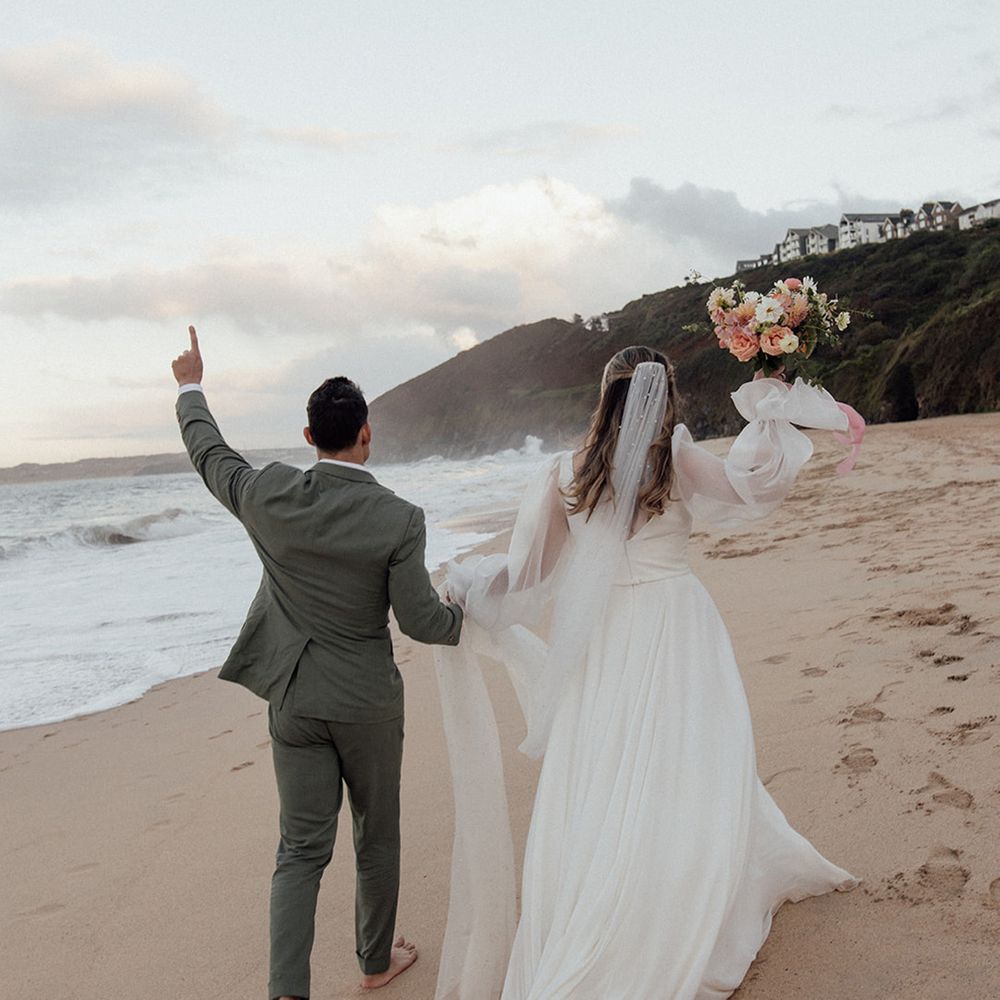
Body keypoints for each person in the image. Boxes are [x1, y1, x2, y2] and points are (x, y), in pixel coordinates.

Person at [434, 345, 859, 1000]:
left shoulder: (565, 472)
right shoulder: (678, 457)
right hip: (677, 626)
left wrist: (466, 585)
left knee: (606, 768)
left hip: (606, 635)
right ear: (666, 398)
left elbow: (530, 576)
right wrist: (771, 407)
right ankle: (683, 890)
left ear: (605, 397)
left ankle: (614, 897)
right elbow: (753, 487)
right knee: (690, 759)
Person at [170, 326, 463, 1000]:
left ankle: (286, 993)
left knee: (299, 852)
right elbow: (420, 621)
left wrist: (191, 385)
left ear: (308, 438)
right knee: (376, 836)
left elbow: (209, 454)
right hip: (365, 701)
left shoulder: (269, 494)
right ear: (366, 435)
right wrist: (461, 617)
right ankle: (374, 961)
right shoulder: (398, 518)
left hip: (294, 699)